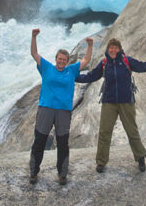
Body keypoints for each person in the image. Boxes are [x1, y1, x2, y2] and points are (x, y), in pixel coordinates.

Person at [76, 38, 146, 173]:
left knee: (131, 130)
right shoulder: (104, 63)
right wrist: (75, 77)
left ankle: (140, 158)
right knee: (104, 132)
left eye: (116, 47)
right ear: (107, 49)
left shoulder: (127, 61)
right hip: (109, 102)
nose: (113, 50)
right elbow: (91, 76)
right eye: (111, 47)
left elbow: (143, 66)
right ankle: (101, 162)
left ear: (120, 49)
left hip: (126, 101)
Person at [29, 28, 93, 185]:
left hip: (63, 112)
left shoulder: (71, 70)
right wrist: (34, 37)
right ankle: (33, 172)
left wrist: (90, 45)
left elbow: (86, 60)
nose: (61, 61)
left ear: (67, 61)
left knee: (63, 143)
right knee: (40, 140)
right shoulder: (47, 68)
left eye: (64, 59)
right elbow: (34, 54)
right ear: (56, 59)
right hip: (46, 109)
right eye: (59, 59)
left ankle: (62, 173)